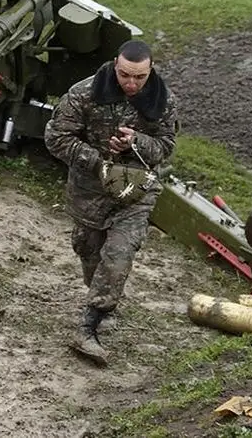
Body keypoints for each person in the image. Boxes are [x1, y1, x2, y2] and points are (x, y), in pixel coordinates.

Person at [43, 39, 178, 366]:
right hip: (90, 192)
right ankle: (101, 299)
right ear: (115, 66)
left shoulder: (163, 100)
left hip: (135, 193)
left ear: (151, 71)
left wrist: (136, 143)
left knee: (118, 255)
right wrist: (97, 159)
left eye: (140, 77)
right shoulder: (84, 94)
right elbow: (55, 137)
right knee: (90, 252)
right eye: (125, 75)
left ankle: (88, 327)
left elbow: (165, 147)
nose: (131, 84)